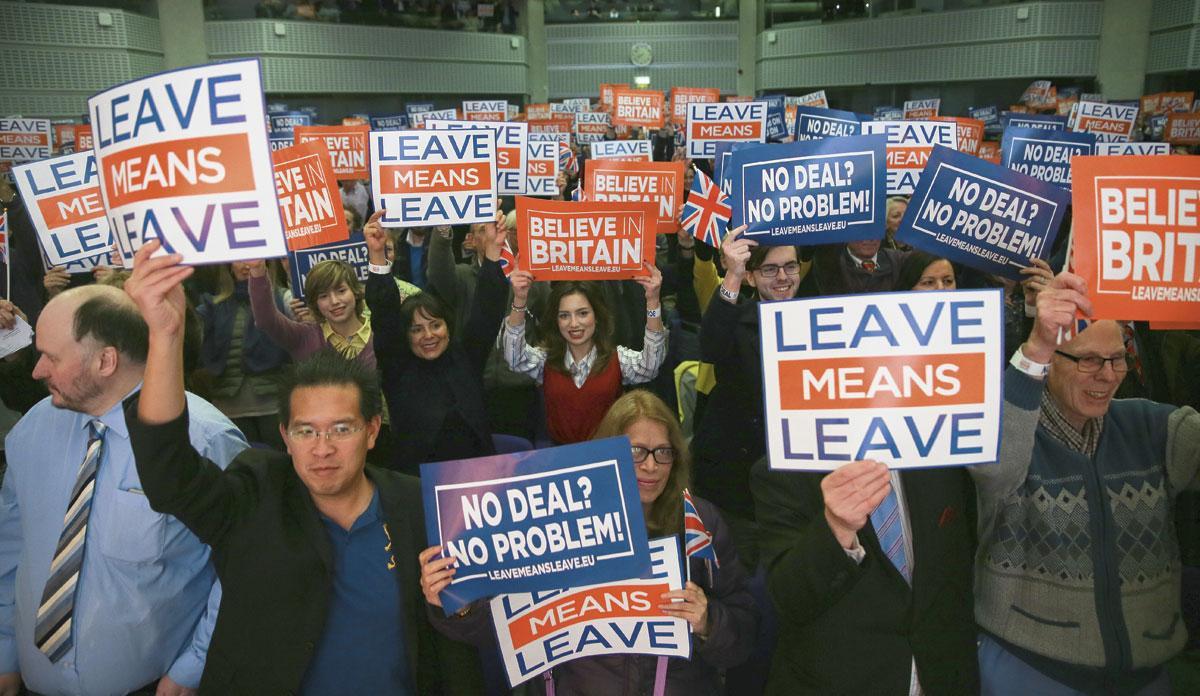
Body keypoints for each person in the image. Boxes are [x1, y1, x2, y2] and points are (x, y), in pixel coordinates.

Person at [121, 241, 475, 693]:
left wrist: (456, 606)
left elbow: (460, 640)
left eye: (341, 429)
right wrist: (165, 337)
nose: (322, 449)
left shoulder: (418, 506)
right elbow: (168, 476)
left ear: (371, 431)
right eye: (306, 431)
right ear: (284, 436)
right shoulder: (254, 495)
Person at [749, 244, 981, 695]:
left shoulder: (942, 449)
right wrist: (835, 528)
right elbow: (788, 600)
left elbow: (957, 574)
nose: (872, 380)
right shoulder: (783, 467)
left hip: (940, 675)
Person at [420, 390, 757, 695]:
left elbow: (742, 638)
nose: (651, 466)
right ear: (608, 451)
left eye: (663, 452)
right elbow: (503, 629)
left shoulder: (702, 523)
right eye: (637, 451)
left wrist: (708, 621)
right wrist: (457, 602)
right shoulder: (555, 521)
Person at [0, 284, 245, 696]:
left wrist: (194, 665)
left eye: (51, 357)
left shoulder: (205, 440)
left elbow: (242, 564)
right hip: (30, 683)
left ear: (105, 360)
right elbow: (11, 546)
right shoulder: (31, 430)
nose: (37, 371)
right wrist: (6, 650)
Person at [971, 272, 1200, 695]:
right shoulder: (1015, 433)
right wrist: (1035, 346)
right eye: (1089, 360)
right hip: (1032, 669)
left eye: (1117, 358)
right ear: (1048, 363)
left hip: (1146, 674)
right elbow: (994, 466)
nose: (1108, 375)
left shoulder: (1154, 427)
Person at [689, 228, 803, 571]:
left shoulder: (816, 320)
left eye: (791, 267)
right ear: (752, 277)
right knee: (740, 579)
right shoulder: (735, 318)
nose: (783, 277)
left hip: (793, 482)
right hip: (737, 484)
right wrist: (732, 274)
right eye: (770, 269)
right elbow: (710, 347)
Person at [363, 211, 504, 476]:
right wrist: (378, 255)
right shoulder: (397, 367)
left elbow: (488, 309)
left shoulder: (466, 357)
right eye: (417, 329)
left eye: (435, 324)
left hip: (479, 483)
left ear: (448, 328)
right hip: (418, 486)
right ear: (406, 336)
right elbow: (383, 310)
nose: (428, 335)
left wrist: (494, 250)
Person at [504, 265, 667, 444]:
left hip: (607, 458)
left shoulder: (618, 360)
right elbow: (514, 358)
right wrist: (519, 299)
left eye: (582, 313)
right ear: (556, 320)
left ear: (596, 316)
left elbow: (650, 366)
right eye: (564, 316)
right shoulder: (545, 360)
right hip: (561, 459)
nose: (574, 324)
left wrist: (652, 301)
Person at [196, 261, 291, 450]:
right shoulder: (212, 306)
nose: (248, 265)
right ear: (229, 266)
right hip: (227, 410)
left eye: (255, 258)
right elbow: (190, 330)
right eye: (240, 259)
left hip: (274, 406)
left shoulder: (284, 298)